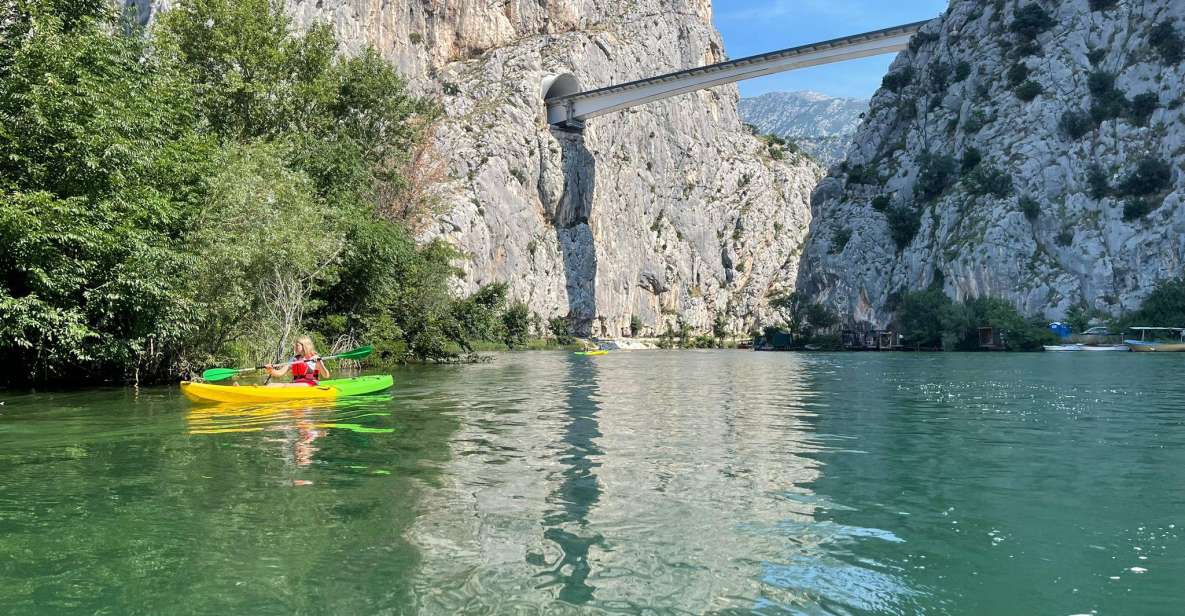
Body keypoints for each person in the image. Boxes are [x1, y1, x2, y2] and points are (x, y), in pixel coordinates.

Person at [265, 336, 330, 387]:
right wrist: (271, 370)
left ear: (304, 346)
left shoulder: (314, 358)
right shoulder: (294, 359)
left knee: (287, 386)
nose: (295, 347)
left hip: (310, 384)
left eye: (297, 345)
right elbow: (280, 373)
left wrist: (320, 363)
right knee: (270, 385)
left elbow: (326, 375)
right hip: (296, 384)